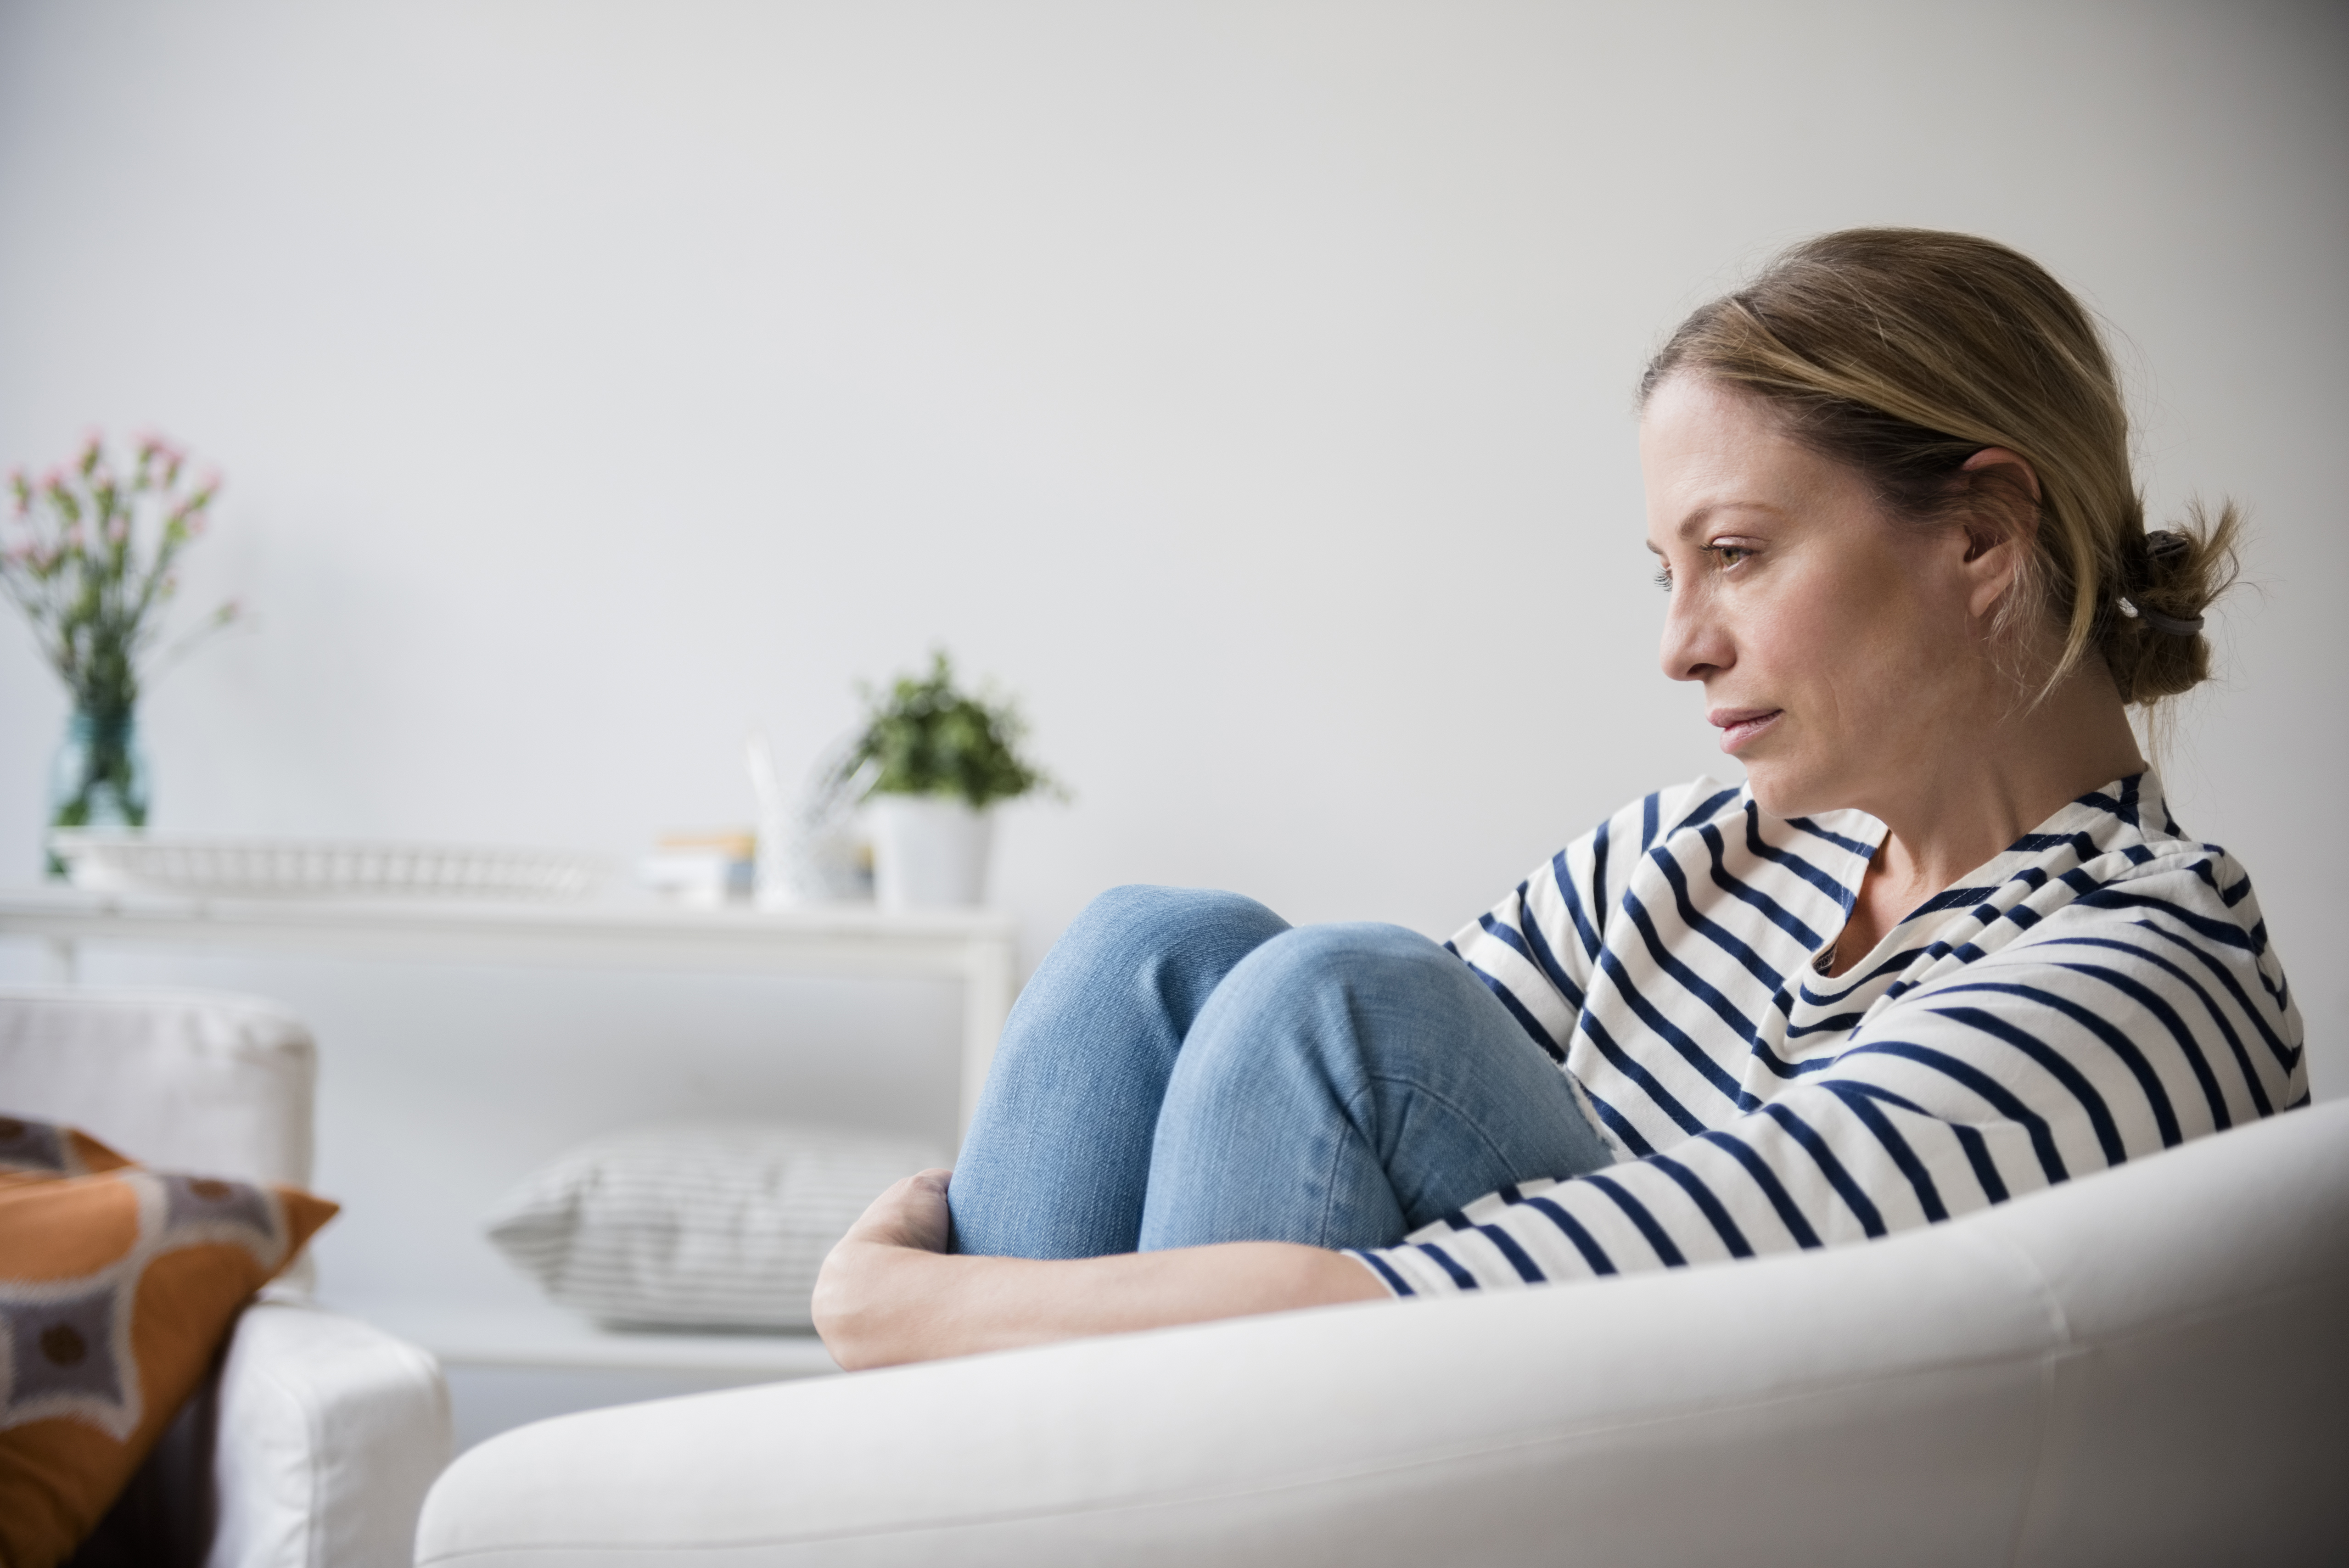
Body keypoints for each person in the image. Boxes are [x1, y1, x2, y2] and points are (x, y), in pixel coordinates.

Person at [812, 229, 2306, 1371]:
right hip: (1474, 1426)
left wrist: (909, 1306)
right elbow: (1298, 1141)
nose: (1680, 646)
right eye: (1668, 574)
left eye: (1735, 554)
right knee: (1158, 946)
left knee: (1340, 1001)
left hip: (1666, 1480)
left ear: (1981, 537)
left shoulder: (2142, 974)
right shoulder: (1684, 855)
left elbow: (1589, 1276)